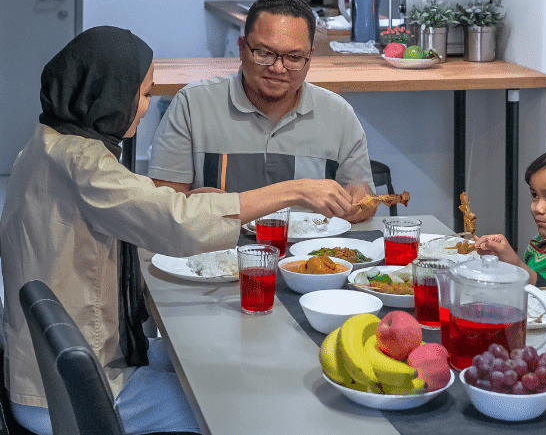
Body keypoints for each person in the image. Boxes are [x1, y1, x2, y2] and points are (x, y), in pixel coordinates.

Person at [0, 26, 356, 435]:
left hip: (46, 365)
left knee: (197, 357)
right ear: (110, 93)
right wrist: (293, 190)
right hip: (71, 391)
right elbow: (177, 222)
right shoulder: (83, 163)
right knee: (227, 405)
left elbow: (115, 204)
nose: (146, 108)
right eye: (145, 94)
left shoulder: (48, 141)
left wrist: (171, 196)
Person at [148, 0, 377, 223]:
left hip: (307, 255)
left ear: (310, 57)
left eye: (294, 57)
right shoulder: (192, 105)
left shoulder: (339, 114)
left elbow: (362, 195)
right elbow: (164, 210)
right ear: (241, 48)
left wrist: (361, 204)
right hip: (216, 254)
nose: (278, 68)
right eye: (264, 53)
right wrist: (296, 192)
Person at [475, 149, 546, 288]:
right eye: (535, 195)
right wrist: (499, 258)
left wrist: (517, 265)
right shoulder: (540, 241)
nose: (537, 208)